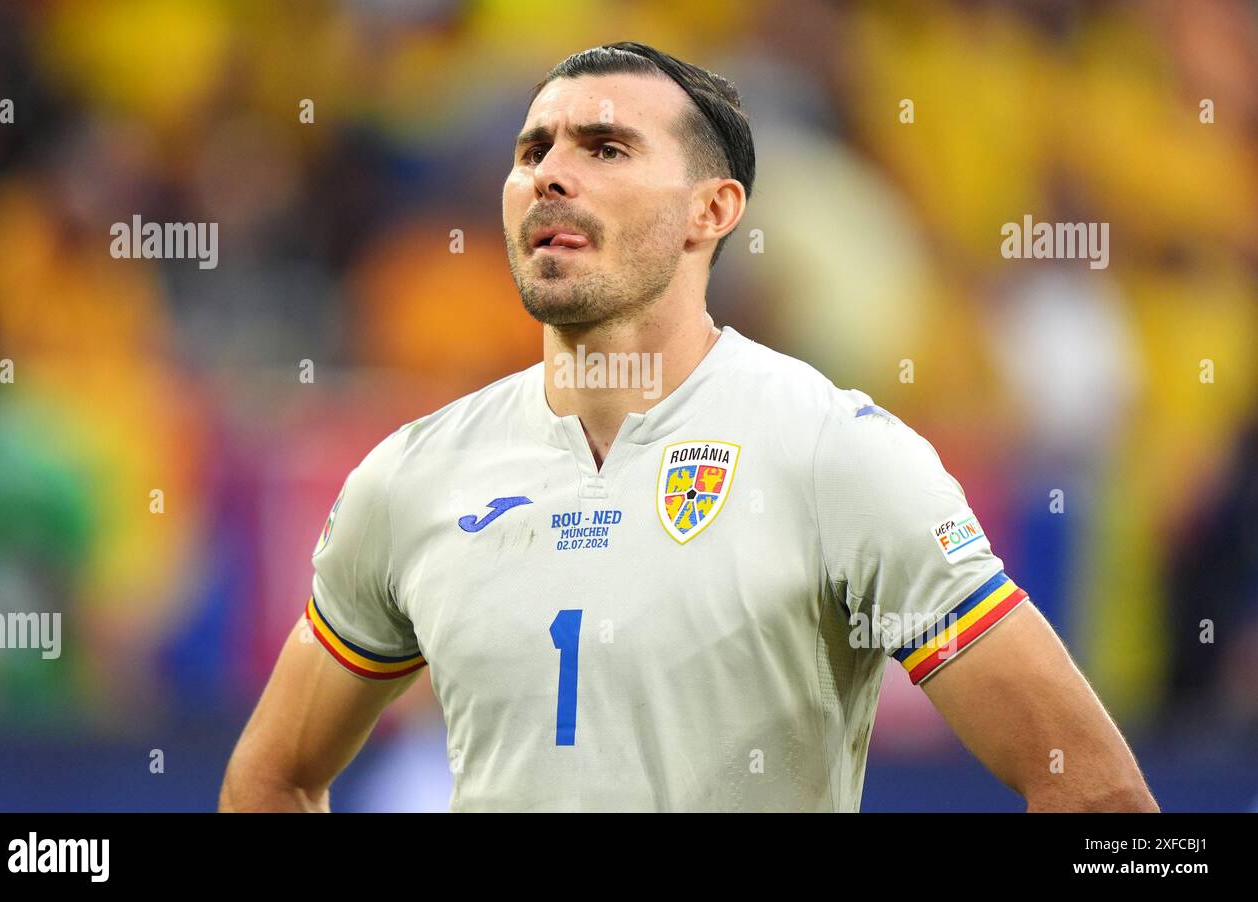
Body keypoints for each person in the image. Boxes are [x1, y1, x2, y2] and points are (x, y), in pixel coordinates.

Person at [220, 42, 1157, 812]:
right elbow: (273, 776)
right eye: (532, 149)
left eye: (605, 148)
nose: (550, 175)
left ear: (712, 211)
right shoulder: (411, 478)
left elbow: (1096, 794)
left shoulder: (835, 455)